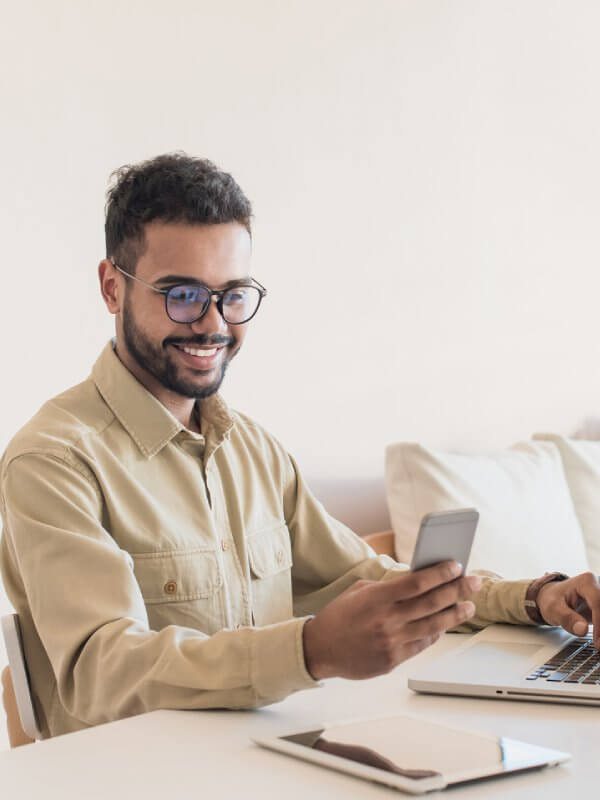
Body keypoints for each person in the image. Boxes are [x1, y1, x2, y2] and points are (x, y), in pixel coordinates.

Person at [1, 153, 598, 740]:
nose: (212, 324)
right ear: (112, 287)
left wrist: (538, 597)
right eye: (181, 295)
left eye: (232, 294)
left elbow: (365, 577)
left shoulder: (253, 450)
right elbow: (101, 673)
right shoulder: (52, 462)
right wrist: (310, 651)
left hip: (264, 756)